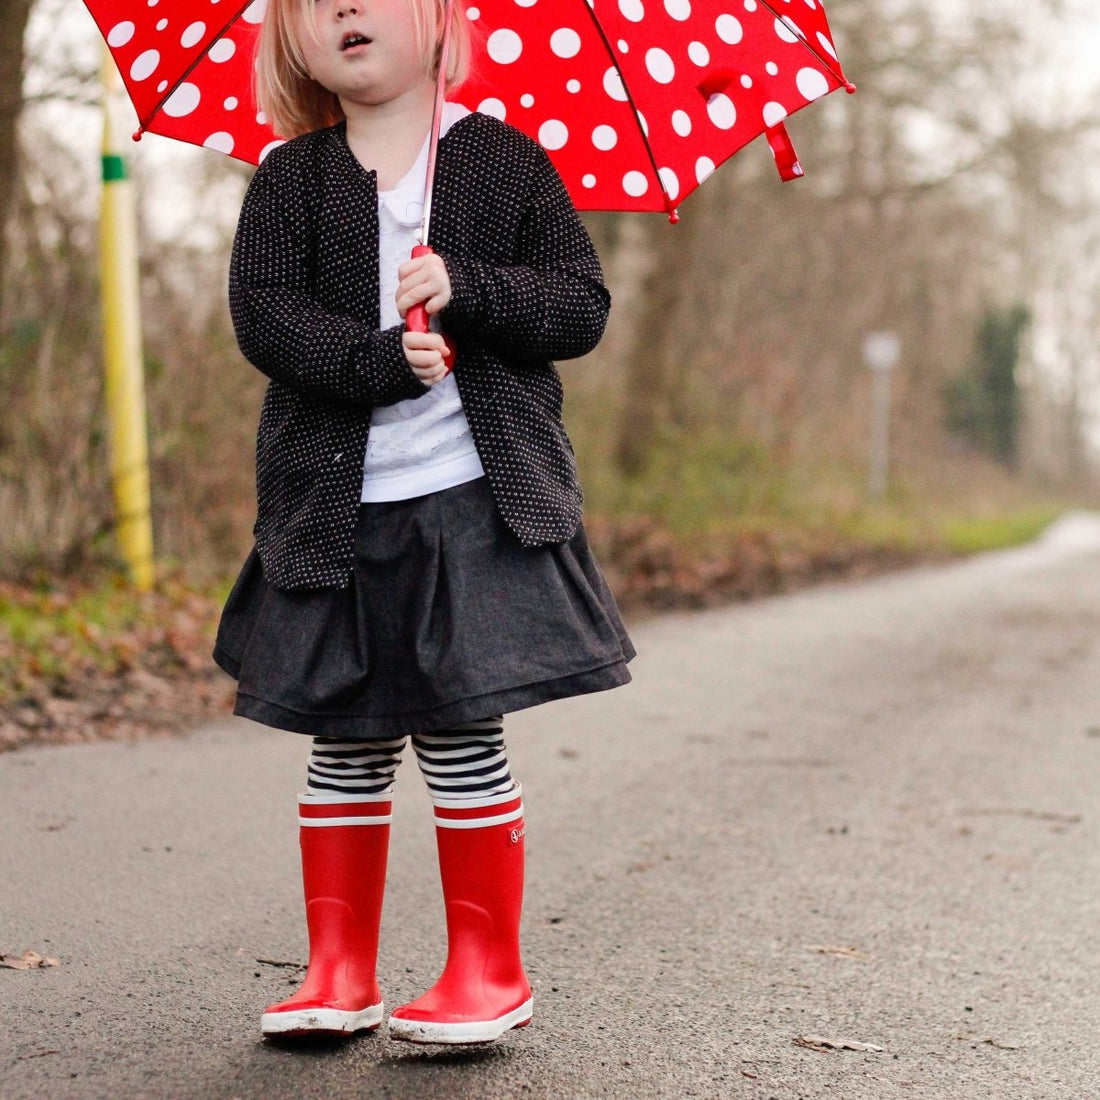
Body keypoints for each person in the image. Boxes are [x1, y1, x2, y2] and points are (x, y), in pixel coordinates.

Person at [213, 0, 634, 1047]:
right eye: (314, 4)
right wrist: (372, 360)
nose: (342, 10)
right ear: (294, 40)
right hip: (333, 505)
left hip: (468, 497)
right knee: (345, 734)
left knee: (456, 724)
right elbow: (263, 314)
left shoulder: (500, 164)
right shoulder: (292, 179)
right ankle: (337, 966)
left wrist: (470, 288)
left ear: (440, 19)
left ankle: (487, 967)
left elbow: (577, 305)